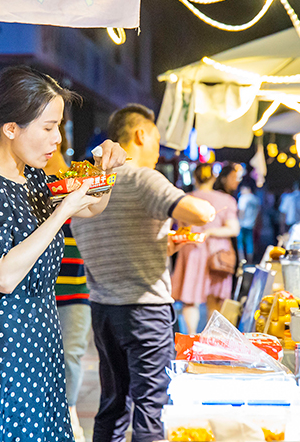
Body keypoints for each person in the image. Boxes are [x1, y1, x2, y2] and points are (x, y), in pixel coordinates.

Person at [0, 65, 128, 442]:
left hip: (43, 339)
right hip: (2, 346)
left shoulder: (33, 175)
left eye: (59, 126)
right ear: (11, 128)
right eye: (48, 127)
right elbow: (3, 275)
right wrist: (62, 211)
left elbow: (93, 206)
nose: (57, 139)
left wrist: (104, 172)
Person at [71, 104, 216, 442]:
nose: (157, 149)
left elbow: (114, 243)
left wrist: (164, 247)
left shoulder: (91, 185)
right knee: (153, 409)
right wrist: (210, 205)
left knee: (113, 406)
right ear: (141, 135)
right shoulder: (143, 177)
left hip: (104, 311)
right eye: (157, 140)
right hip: (145, 313)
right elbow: (197, 212)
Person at [45, 141, 92, 442]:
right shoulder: (28, 179)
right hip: (40, 286)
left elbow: (96, 210)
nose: (53, 137)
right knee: (49, 356)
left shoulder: (77, 179)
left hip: (76, 283)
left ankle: (69, 410)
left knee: (72, 353)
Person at [171, 164, 240, 334]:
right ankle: (211, 339)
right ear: (213, 178)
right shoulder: (226, 200)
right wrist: (211, 232)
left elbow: (181, 227)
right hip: (218, 253)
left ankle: (192, 336)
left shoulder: (186, 199)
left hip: (192, 250)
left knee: (190, 299)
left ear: (194, 177)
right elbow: (233, 229)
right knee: (215, 300)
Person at [236, 180, 260, 263]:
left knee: (240, 244)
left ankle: (241, 260)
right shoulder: (255, 199)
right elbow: (258, 213)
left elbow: (241, 211)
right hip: (251, 224)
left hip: (242, 224)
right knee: (250, 243)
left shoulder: (243, 198)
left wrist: (239, 222)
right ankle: (250, 260)